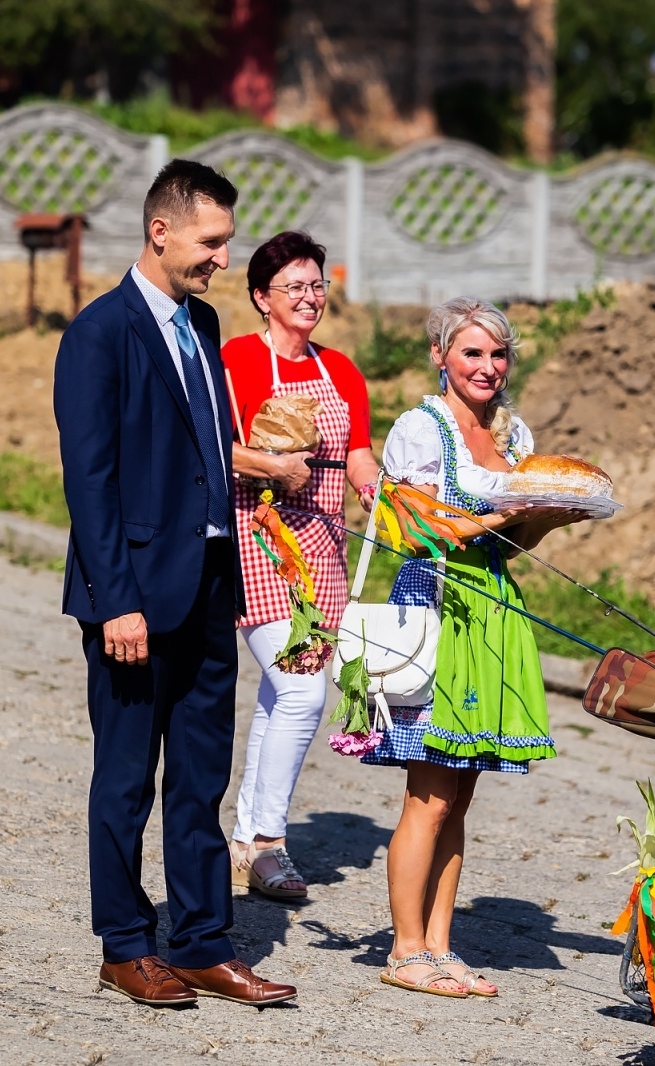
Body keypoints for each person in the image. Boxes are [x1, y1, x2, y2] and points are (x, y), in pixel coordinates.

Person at [54, 159, 297, 1008]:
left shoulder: (202, 322)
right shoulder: (100, 332)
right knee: (126, 778)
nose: (224, 260)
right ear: (161, 231)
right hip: (132, 598)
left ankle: (200, 941)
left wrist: (232, 565)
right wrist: (117, 598)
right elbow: (91, 480)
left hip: (204, 589)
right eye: (212, 242)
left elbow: (209, 458)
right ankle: (124, 944)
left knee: (201, 777)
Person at [362, 297, 585, 997]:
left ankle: (438, 944)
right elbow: (421, 529)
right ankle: (403, 952)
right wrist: (497, 512)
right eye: (472, 354)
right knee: (426, 796)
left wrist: (544, 521)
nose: (487, 367)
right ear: (440, 357)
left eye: (497, 355)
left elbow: (508, 545)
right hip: (435, 600)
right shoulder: (420, 429)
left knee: (458, 798)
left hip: (491, 605)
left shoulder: (514, 436)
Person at [222, 231, 380, 899]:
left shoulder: (340, 369)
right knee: (302, 691)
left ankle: (243, 838)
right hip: (254, 538)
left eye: (316, 284)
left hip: (323, 547)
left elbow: (358, 455)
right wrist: (269, 466)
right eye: (294, 286)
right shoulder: (233, 359)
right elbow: (213, 449)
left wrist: (381, 489)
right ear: (262, 297)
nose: (310, 296)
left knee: (276, 696)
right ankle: (268, 841)